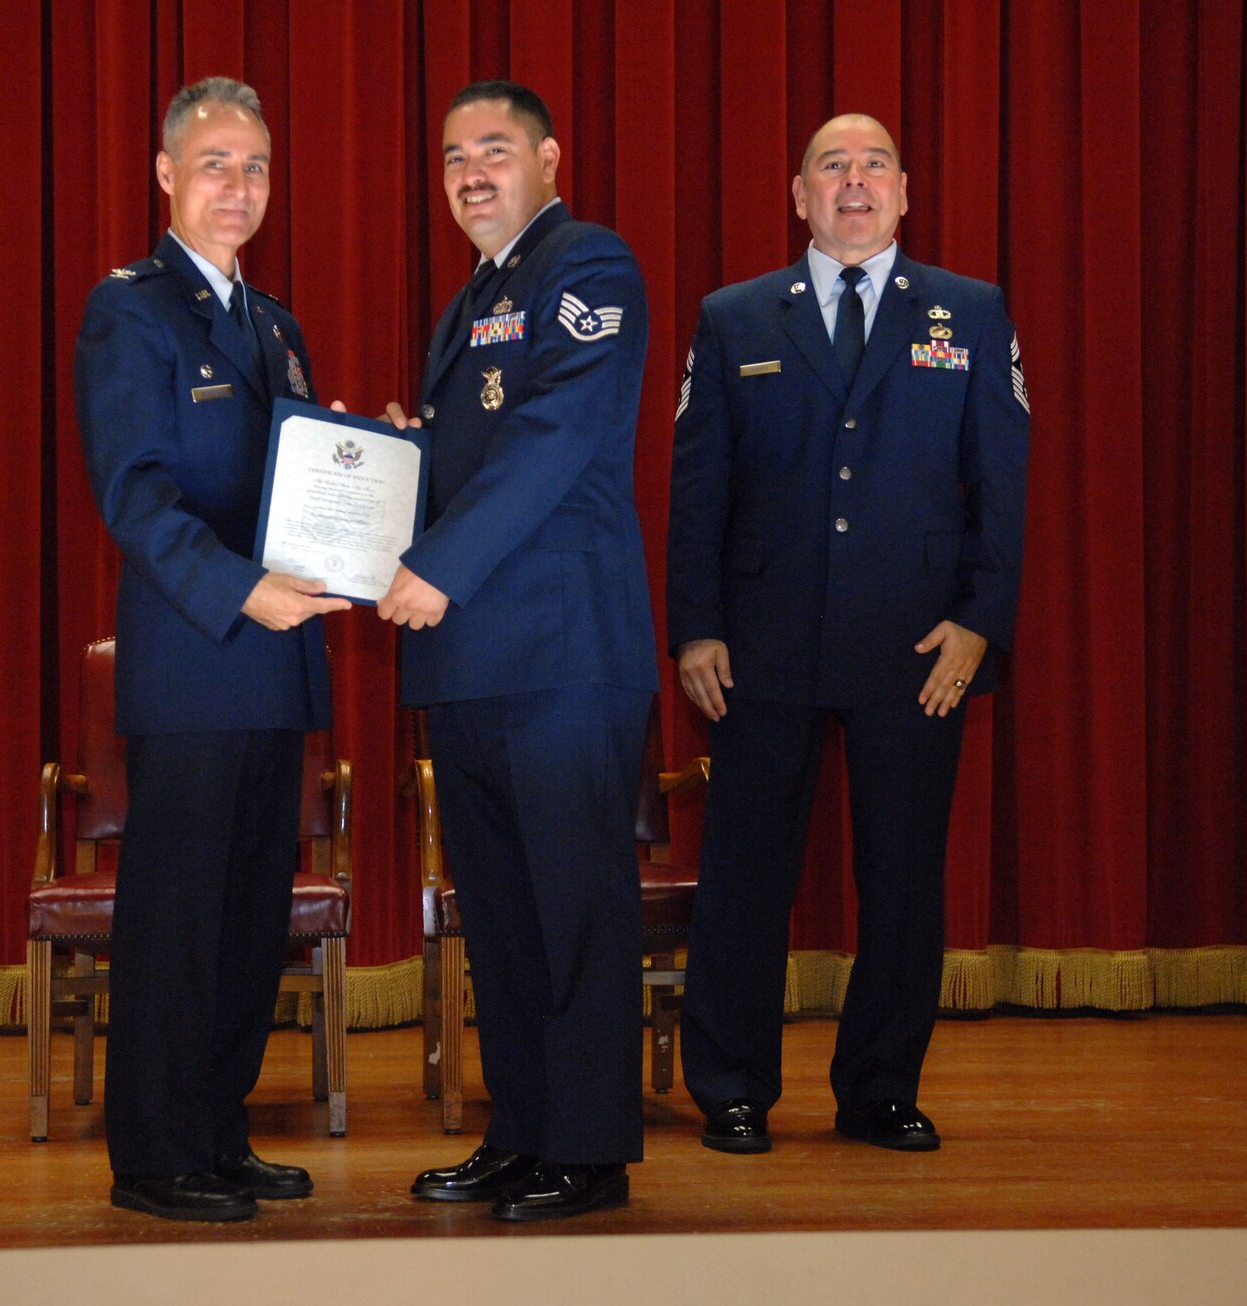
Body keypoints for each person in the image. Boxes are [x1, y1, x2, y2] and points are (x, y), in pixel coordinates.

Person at [668, 113, 1030, 1155]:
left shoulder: (969, 311)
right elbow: (697, 490)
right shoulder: (734, 317)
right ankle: (732, 1086)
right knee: (745, 876)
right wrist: (695, 627)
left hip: (914, 647)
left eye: (875, 166)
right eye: (833, 166)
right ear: (800, 195)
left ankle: (879, 1089)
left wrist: (978, 622)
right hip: (760, 643)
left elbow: (1002, 484)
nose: (855, 182)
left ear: (905, 192)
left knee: (903, 878)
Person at [348, 80, 657, 1221]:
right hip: (473, 659)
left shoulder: (589, 265)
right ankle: (523, 1130)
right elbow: (480, 445)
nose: (470, 173)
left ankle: (588, 1149)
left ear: (548, 158)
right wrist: (402, 457)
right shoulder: (472, 297)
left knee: (575, 914)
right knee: (506, 921)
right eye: (452, 157)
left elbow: (555, 433)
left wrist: (438, 561)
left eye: (493, 149)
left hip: (562, 651)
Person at [72, 76, 348, 1222]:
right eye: (215, 164)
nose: (239, 186)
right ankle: (154, 1153)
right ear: (166, 176)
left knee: (245, 923)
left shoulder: (274, 324)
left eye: (256, 167)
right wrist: (244, 590)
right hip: (195, 659)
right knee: (177, 921)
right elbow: (134, 496)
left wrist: (372, 477)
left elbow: (303, 481)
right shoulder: (130, 310)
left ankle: (217, 1132)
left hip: (275, 668)